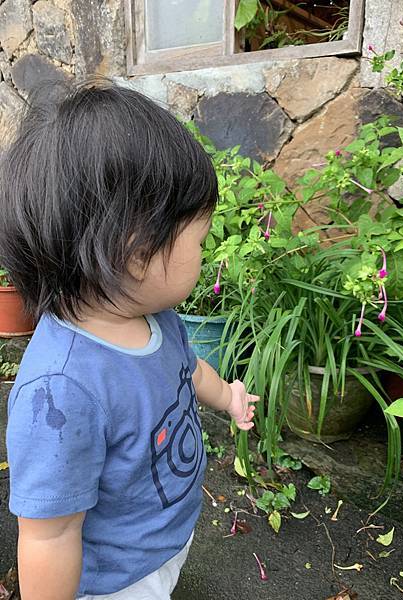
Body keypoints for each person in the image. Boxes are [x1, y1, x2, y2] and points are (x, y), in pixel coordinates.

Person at [0, 81, 258, 600]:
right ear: (135, 251)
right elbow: (50, 533)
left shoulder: (155, 316)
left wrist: (227, 396)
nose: (205, 254)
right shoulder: (62, 391)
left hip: (162, 539)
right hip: (117, 579)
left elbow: (188, 370)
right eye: (200, 240)